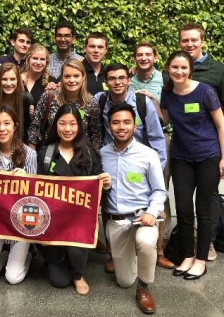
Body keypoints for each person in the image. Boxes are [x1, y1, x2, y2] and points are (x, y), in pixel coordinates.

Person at [157, 51, 224, 280]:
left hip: (208, 156)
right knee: (184, 209)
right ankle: (187, 256)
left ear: (190, 69)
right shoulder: (167, 93)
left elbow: (221, 126)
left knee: (204, 209)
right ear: (168, 69)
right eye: (174, 67)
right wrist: (150, 100)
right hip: (181, 158)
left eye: (183, 68)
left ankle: (200, 259)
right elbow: (166, 120)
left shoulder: (205, 91)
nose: (178, 72)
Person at [95, 62, 167, 274]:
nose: (117, 82)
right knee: (112, 206)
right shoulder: (100, 100)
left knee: (156, 208)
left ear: (129, 80)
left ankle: (156, 252)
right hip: (112, 159)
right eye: (112, 79)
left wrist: (154, 171)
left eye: (121, 78)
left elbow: (156, 138)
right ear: (106, 82)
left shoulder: (142, 102)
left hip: (141, 162)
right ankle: (116, 255)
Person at [179, 23, 224, 261]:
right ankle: (187, 246)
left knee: (208, 199)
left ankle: (208, 241)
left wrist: (217, 144)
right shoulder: (175, 70)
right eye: (185, 41)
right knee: (184, 202)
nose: (190, 44)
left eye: (194, 40)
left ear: (202, 41)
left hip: (208, 149)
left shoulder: (220, 72)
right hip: (183, 150)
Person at [101, 103, 167, 314]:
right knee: (123, 281)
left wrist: (152, 212)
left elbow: (159, 191)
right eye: (116, 122)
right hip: (116, 222)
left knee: (146, 242)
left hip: (142, 218)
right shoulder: (102, 154)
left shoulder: (148, 154)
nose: (122, 127)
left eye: (127, 122)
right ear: (110, 126)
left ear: (135, 124)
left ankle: (144, 286)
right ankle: (134, 266)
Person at [36, 104, 108, 295]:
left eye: (72, 124)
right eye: (62, 124)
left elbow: (98, 187)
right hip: (52, 222)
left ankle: (78, 274)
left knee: (75, 258)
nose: (67, 129)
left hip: (78, 222)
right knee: (59, 282)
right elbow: (35, 189)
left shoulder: (90, 153)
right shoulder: (45, 154)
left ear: (80, 126)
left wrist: (105, 182)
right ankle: (54, 262)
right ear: (55, 126)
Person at [0, 105, 36, 284]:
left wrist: (27, 180)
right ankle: (4, 256)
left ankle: (28, 256)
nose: (2, 129)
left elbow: (34, 198)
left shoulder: (30, 154)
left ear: (15, 126)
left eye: (6, 123)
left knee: (13, 278)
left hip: (20, 223)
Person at [130, 42, 174, 270]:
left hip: (158, 140)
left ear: (155, 57)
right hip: (132, 142)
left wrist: (152, 100)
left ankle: (159, 249)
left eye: (148, 54)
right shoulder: (128, 79)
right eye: (139, 54)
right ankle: (130, 249)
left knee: (160, 192)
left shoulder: (166, 81)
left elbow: (167, 117)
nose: (144, 58)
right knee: (132, 190)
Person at [28, 59, 101, 151]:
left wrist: (93, 159)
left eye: (76, 76)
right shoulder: (50, 96)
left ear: (83, 77)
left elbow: (96, 136)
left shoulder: (91, 103)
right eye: (67, 76)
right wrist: (32, 155)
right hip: (50, 153)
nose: (71, 80)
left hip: (80, 155)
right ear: (61, 77)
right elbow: (35, 126)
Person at [20, 44, 56, 112]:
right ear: (28, 59)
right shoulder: (18, 78)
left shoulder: (51, 81)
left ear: (46, 62)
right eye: (35, 58)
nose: (38, 62)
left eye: (42, 59)